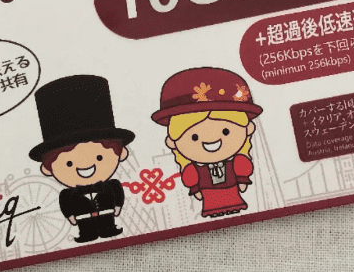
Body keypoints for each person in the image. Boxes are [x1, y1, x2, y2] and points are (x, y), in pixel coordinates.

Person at [29, 75, 135, 243]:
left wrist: (116, 207)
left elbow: (118, 194)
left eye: (99, 157)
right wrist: (71, 216)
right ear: (47, 168)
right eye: (69, 163)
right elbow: (66, 204)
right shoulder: (68, 194)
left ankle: (109, 229)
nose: (85, 165)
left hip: (107, 215)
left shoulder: (111, 185)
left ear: (121, 153)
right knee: (87, 230)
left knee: (108, 226)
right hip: (83, 219)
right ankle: (86, 234)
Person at [151, 67, 262, 218]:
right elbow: (191, 176)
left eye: (226, 131)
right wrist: (196, 189)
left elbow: (242, 167)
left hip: (231, 189)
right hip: (209, 193)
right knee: (212, 203)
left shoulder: (236, 161)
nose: (211, 141)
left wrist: (242, 179)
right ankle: (214, 210)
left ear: (248, 128)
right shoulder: (195, 169)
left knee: (233, 199)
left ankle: (233, 206)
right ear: (172, 141)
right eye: (194, 137)